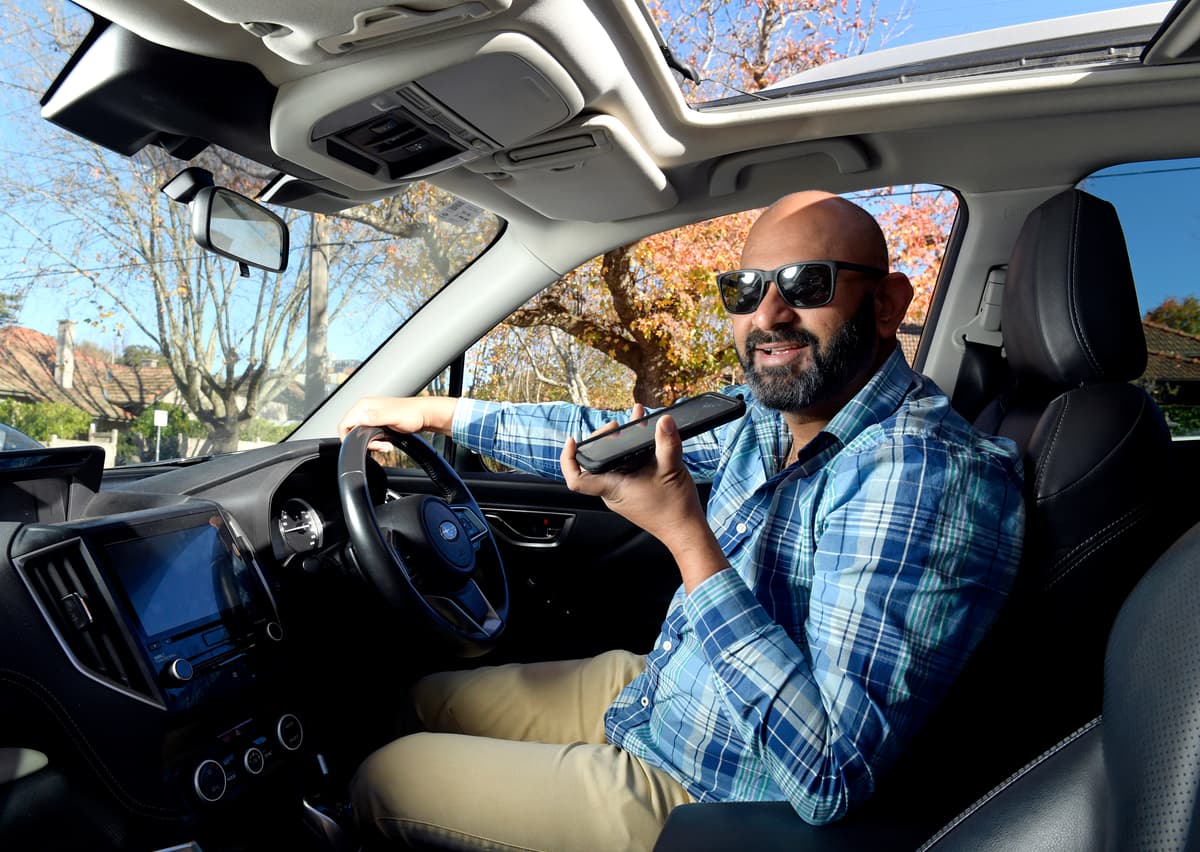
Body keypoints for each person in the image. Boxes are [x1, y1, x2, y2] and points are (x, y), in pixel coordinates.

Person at [336, 191, 1025, 851]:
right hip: (667, 693)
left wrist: (686, 538)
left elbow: (828, 772)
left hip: (710, 795)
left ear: (886, 304)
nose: (770, 314)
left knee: (382, 779)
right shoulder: (772, 415)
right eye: (744, 291)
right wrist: (435, 414)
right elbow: (599, 437)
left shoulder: (925, 475)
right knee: (423, 701)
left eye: (806, 284)